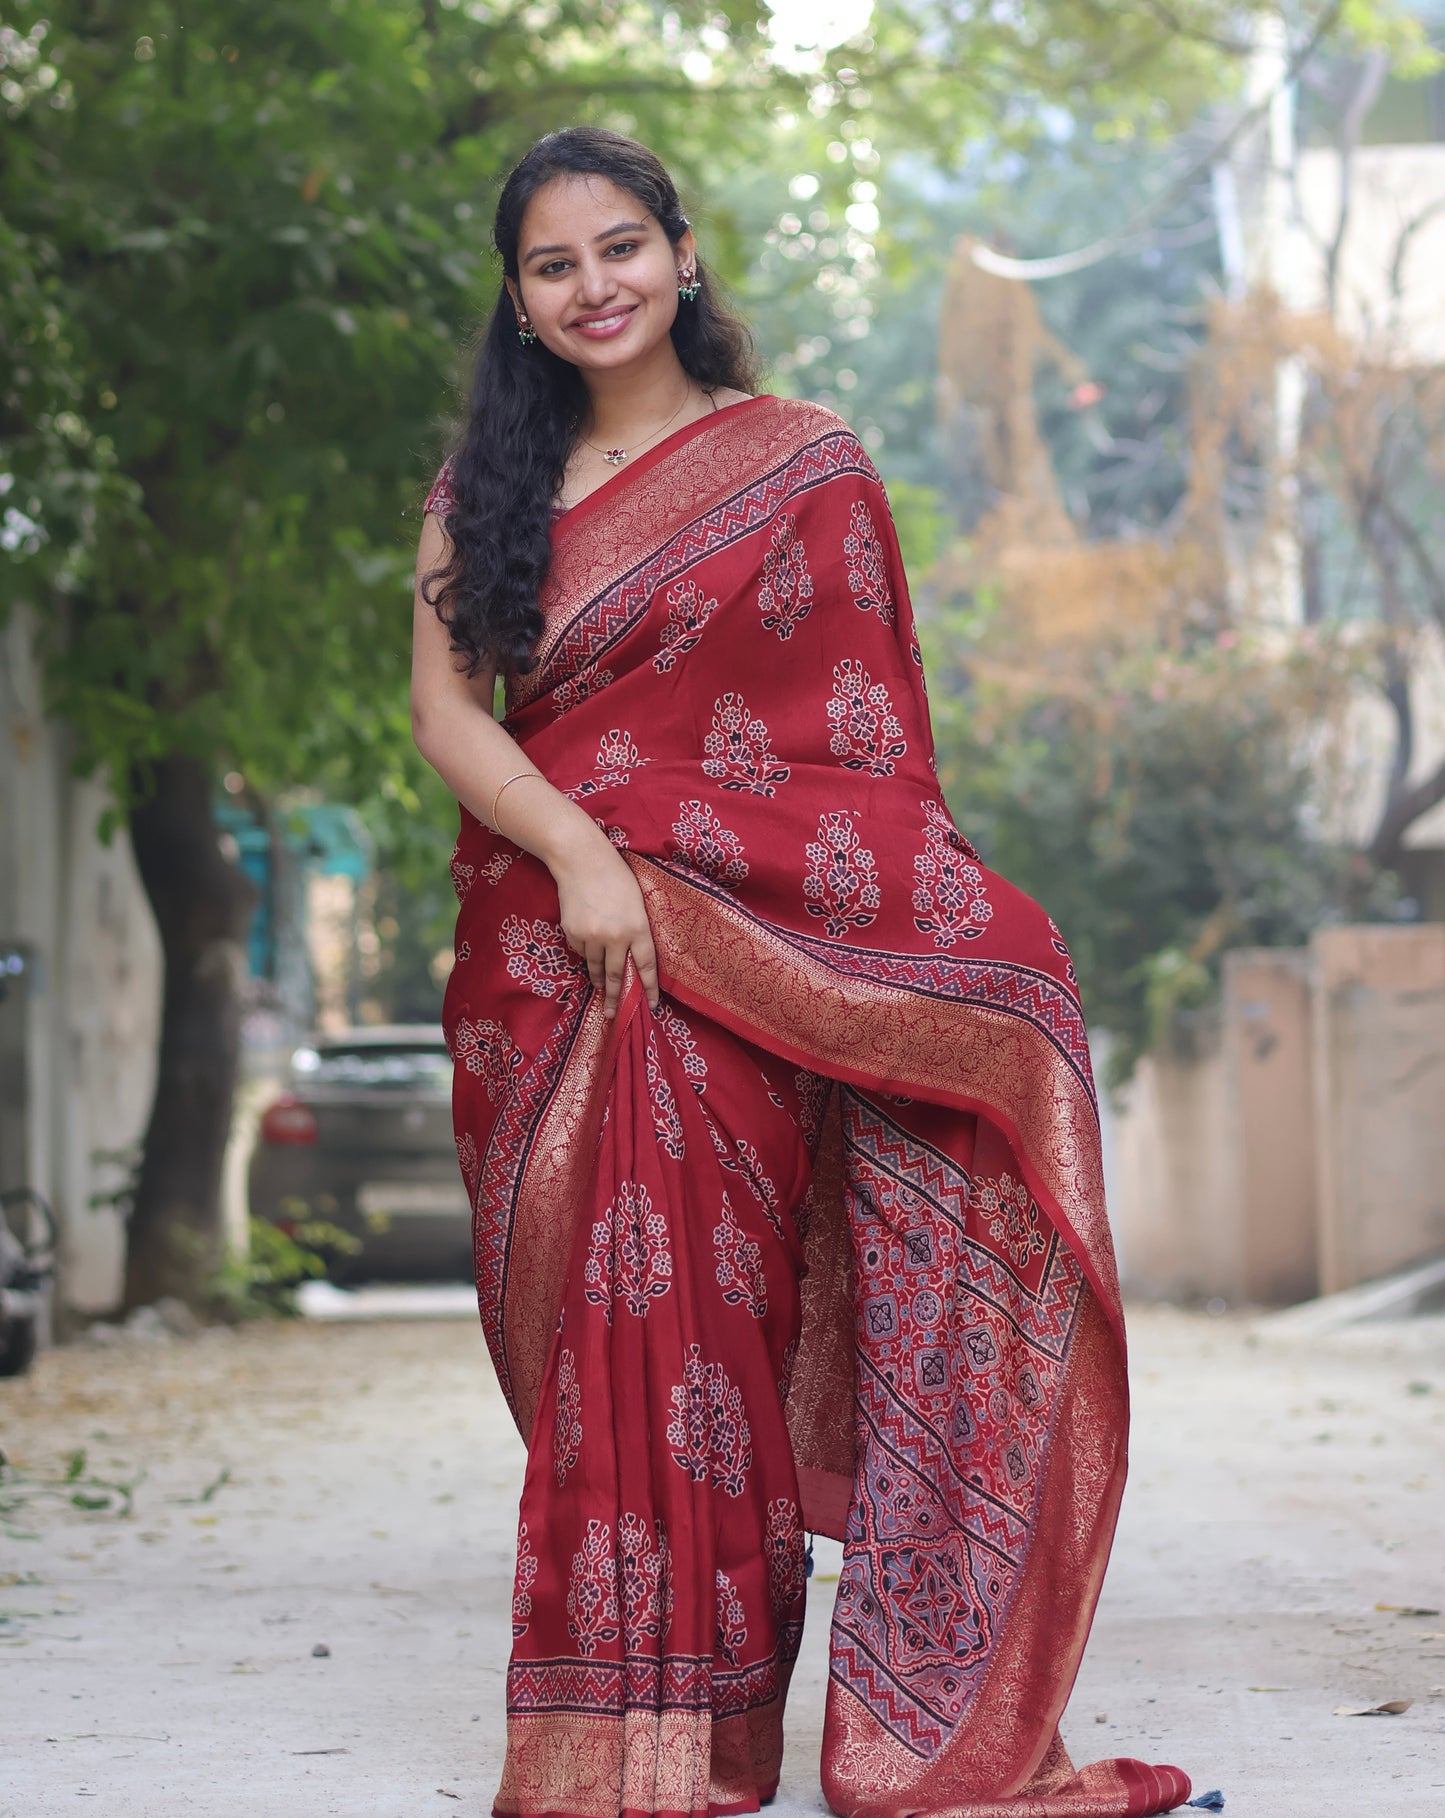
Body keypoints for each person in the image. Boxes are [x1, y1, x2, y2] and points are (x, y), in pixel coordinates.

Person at [411, 125, 1191, 1818]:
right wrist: (583, 855)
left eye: (619, 246)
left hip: (751, 954)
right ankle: (631, 1743)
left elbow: (857, 766)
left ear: (681, 256)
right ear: (521, 302)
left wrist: (978, 959)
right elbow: (448, 711)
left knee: (713, 1334)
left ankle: (831, 1732)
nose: (593, 284)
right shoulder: (484, 494)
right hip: (554, 963)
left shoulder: (801, 461)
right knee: (604, 1348)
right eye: (553, 264)